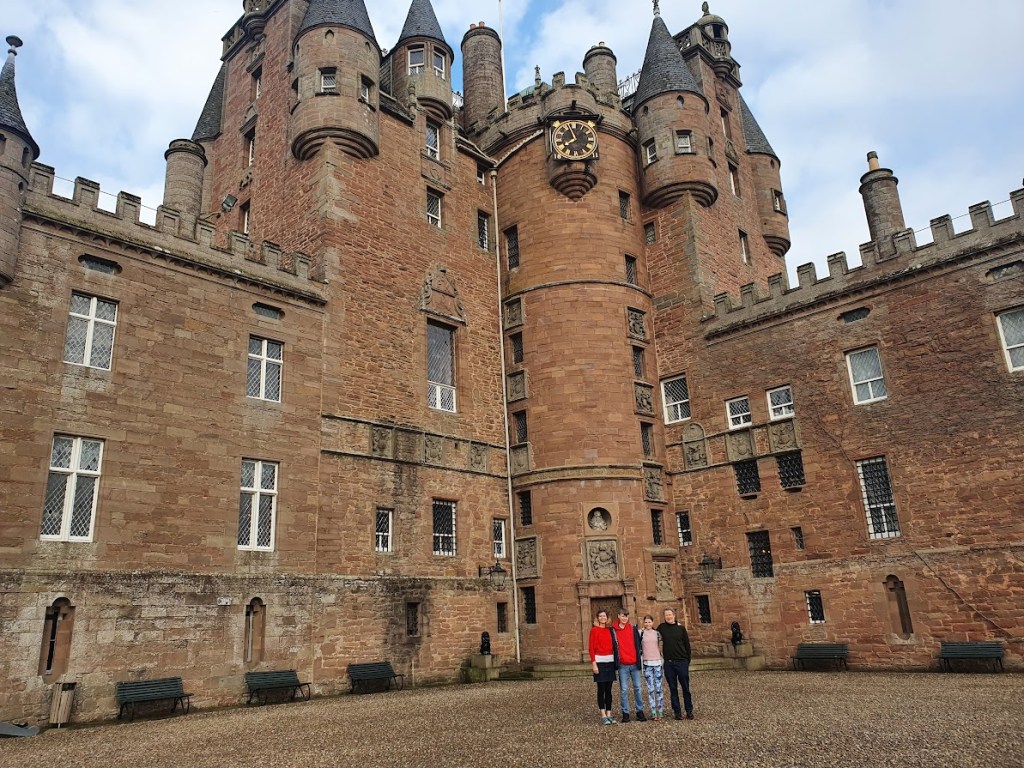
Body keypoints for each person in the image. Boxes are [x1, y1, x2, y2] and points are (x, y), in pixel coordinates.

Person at [656, 607, 694, 720]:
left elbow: (687, 645)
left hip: (682, 661)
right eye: (666, 615)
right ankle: (677, 712)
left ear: (674, 615)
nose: (668, 616)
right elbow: (652, 634)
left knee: (685, 688)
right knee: (673, 688)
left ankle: (689, 710)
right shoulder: (661, 627)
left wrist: (687, 660)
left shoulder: (681, 628)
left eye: (670, 614)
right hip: (669, 663)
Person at [612, 609, 646, 722]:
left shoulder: (632, 629)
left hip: (634, 663)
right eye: (622, 616)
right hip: (623, 665)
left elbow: (639, 643)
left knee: (637, 688)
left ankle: (639, 712)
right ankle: (625, 713)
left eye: (626, 616)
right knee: (624, 690)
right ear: (618, 616)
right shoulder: (613, 631)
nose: (624, 618)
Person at [588, 609, 617, 725]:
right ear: (597, 618)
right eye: (600, 616)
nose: (602, 618)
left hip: (610, 661)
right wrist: (594, 663)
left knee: (609, 690)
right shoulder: (594, 630)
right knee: (601, 690)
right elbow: (591, 648)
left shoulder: (610, 630)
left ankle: (609, 714)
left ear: (607, 618)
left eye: (604, 616)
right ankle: (603, 714)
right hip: (599, 662)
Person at [639, 614, 665, 720]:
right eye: (646, 622)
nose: (648, 624)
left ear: (652, 623)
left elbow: (661, 645)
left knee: (658, 688)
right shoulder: (640, 633)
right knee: (650, 689)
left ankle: (660, 710)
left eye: (649, 622)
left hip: (657, 662)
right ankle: (653, 711)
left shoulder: (657, 633)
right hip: (646, 663)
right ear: (643, 623)